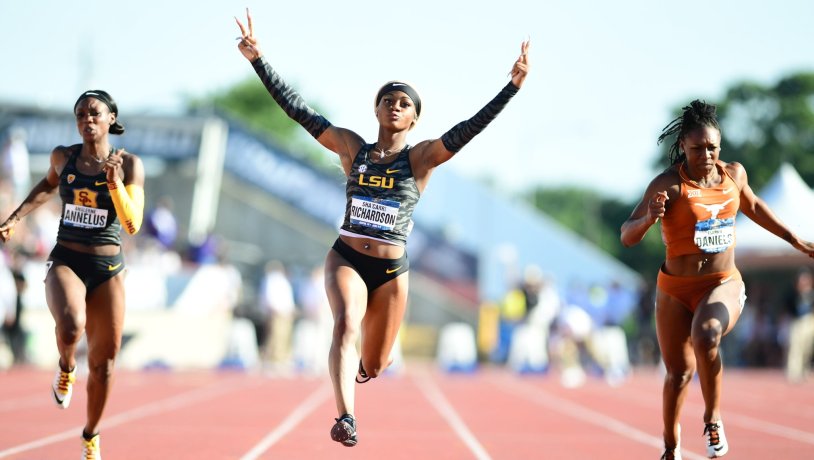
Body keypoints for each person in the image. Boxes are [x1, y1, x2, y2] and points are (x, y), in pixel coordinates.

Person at [235, 9, 528, 447]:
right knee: (345, 325)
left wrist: (512, 88)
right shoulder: (352, 148)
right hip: (348, 257)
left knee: (375, 362)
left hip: (392, 272)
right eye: (388, 99)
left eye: (404, 103)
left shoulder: (422, 158)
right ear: (376, 108)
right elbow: (299, 112)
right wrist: (259, 61)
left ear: (414, 119)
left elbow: (468, 130)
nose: (395, 105)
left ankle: (364, 371)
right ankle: (345, 417)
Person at [620, 100, 814, 459]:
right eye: (697, 149)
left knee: (707, 333)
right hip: (675, 291)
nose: (705, 155)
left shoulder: (733, 175)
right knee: (678, 374)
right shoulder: (669, 185)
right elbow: (626, 235)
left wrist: (793, 238)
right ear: (682, 147)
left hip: (722, 283)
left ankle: (712, 418)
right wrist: (648, 218)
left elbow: (754, 206)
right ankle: (670, 446)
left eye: (712, 148)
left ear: (720, 146)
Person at [0, 89, 145, 460]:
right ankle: (66, 366)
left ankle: (91, 436)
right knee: (70, 326)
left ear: (111, 118)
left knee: (105, 364)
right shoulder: (63, 157)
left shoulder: (129, 165)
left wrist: (113, 184)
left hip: (108, 269)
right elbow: (48, 185)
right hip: (67, 259)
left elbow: (131, 225)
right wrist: (15, 217)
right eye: (80, 114)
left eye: (94, 113)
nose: (87, 120)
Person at [782, 267, 814, 382]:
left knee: (807, 348)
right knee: (795, 347)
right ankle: (793, 372)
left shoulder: (811, 294)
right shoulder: (793, 293)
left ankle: (804, 370)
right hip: (797, 322)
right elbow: (787, 307)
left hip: (810, 322)